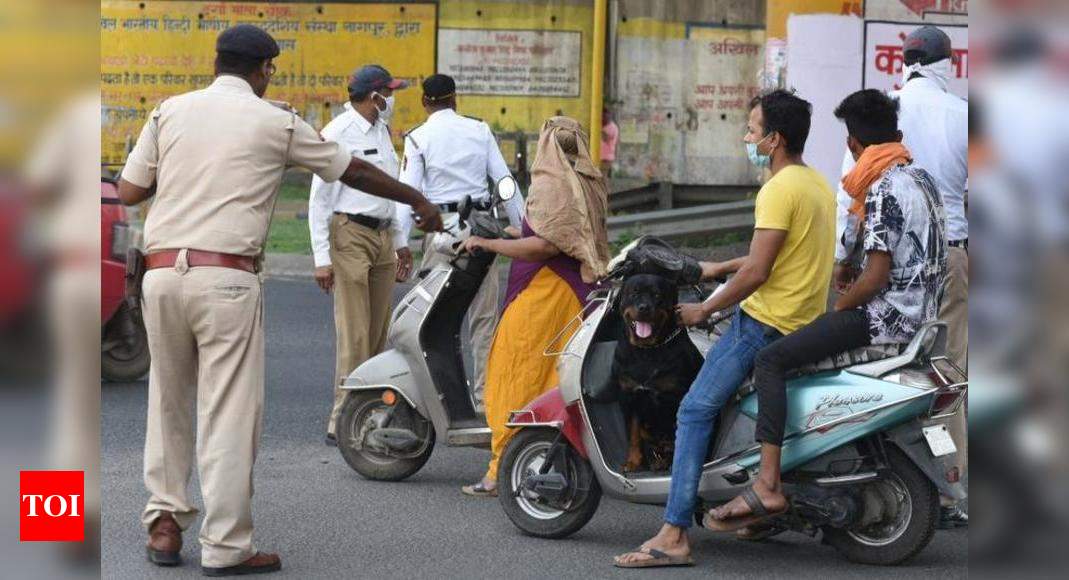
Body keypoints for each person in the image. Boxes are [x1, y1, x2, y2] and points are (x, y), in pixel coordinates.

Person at [116, 25, 441, 576]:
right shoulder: (276, 121)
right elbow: (353, 169)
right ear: (264, 69)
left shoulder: (169, 111)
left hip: (161, 275)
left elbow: (128, 191)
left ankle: (165, 525)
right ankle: (225, 547)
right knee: (228, 414)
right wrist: (416, 198)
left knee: (167, 402)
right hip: (226, 280)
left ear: (217, 62)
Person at [704, 89, 948, 532]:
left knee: (771, 360)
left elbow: (874, 277)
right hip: (923, 316)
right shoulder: (922, 179)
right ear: (896, 134)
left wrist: (839, 307)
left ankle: (767, 483)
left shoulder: (882, 187)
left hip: (883, 319)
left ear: (854, 144)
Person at [614, 90, 835, 568]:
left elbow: (757, 274)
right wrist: (717, 267)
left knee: (693, 410)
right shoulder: (816, 184)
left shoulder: (777, 190)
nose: (747, 138)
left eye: (752, 131)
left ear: (774, 139)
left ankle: (674, 533)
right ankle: (753, 512)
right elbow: (773, 257)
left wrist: (705, 309)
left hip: (765, 323)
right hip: (802, 319)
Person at [835, 25, 968, 527]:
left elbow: (847, 202)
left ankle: (873, 467)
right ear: (946, 63)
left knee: (880, 365)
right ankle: (949, 491)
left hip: (875, 263)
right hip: (945, 259)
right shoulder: (965, 115)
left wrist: (842, 270)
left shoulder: (875, 112)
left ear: (903, 60)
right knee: (945, 371)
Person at [459, 117, 610, 497]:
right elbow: (557, 232)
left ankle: (500, 469)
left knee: (514, 375)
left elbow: (544, 246)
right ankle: (554, 461)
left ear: (546, 145)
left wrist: (490, 244)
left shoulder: (552, 183)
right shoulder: (588, 178)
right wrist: (512, 232)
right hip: (577, 292)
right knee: (553, 379)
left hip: (545, 295)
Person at [395, 73, 525, 410]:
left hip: (441, 233)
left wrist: (401, 242)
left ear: (425, 102)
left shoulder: (418, 137)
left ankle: (429, 398)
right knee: (483, 320)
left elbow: (408, 195)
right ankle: (484, 399)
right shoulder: (479, 130)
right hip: (480, 231)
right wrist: (524, 228)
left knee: (428, 318)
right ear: (455, 99)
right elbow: (505, 182)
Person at [308, 64, 411, 446]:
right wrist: (322, 257)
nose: (394, 99)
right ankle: (341, 417)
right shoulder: (338, 133)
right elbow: (319, 198)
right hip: (350, 233)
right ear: (374, 96)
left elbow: (390, 188)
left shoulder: (382, 131)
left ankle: (368, 412)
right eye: (390, 91)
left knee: (378, 331)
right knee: (354, 332)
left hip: (383, 235)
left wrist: (400, 240)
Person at [600, 106, 619, 177]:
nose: (603, 118)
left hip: (606, 158)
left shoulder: (612, 127)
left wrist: (599, 129)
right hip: (597, 156)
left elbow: (606, 139)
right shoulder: (602, 125)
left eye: (605, 116)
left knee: (602, 178)